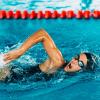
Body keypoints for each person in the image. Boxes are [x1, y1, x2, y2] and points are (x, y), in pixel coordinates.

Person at [0, 29, 97, 82]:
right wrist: (20, 51)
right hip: (7, 74)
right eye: (76, 57)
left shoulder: (68, 78)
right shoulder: (58, 62)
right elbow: (43, 34)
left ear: (83, 71)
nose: (74, 61)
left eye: (80, 63)